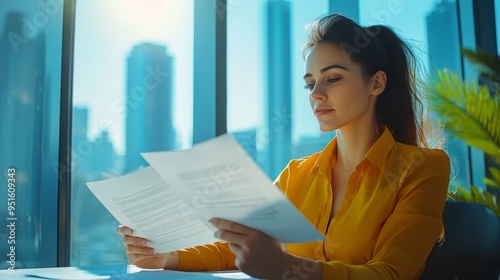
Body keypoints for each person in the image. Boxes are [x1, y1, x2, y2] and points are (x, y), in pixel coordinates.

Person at [117, 14, 450, 280]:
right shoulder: (297, 174)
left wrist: (287, 271)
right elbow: (242, 247)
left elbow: (391, 274)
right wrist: (167, 257)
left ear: (376, 83)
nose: (316, 94)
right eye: (310, 83)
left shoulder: (423, 166)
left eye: (332, 78)